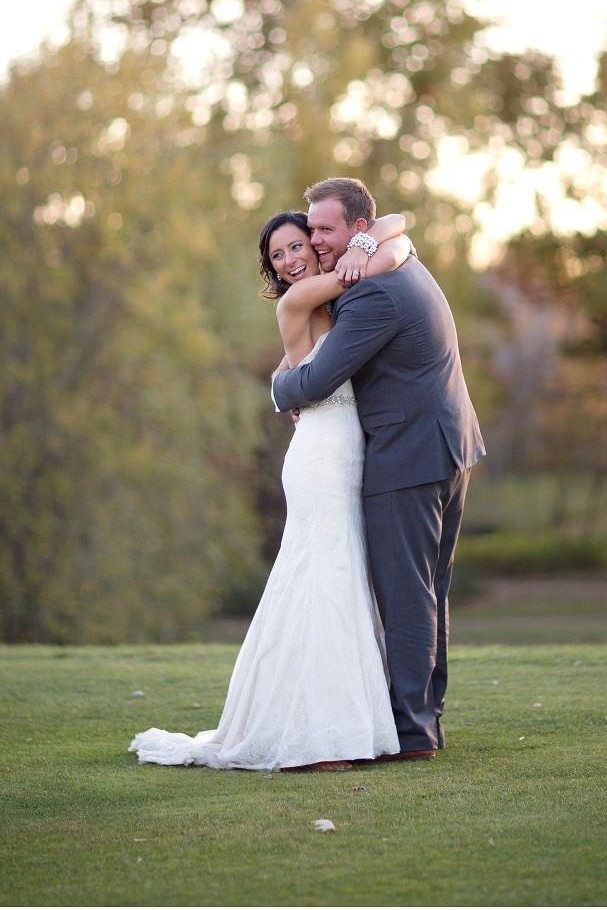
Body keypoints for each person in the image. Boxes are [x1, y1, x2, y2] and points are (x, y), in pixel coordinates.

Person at [129, 209, 410, 771]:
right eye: (277, 256)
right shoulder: (298, 300)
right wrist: (367, 243)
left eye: (296, 247)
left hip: (344, 449)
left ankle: (335, 727)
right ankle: (317, 739)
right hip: (320, 457)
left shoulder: (328, 304)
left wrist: (369, 239)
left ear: (313, 244)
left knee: (338, 577)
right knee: (321, 579)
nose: (289, 261)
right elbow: (395, 249)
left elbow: (397, 230)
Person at [272, 178, 485, 761]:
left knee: (407, 597)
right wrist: (385, 238)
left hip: (409, 456)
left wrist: (278, 387)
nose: (315, 242)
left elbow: (315, 382)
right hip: (445, 447)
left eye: (325, 230)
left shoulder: (373, 293)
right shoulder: (390, 264)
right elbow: (396, 229)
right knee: (428, 591)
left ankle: (413, 733)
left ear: (356, 230)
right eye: (310, 229)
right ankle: (424, 722)